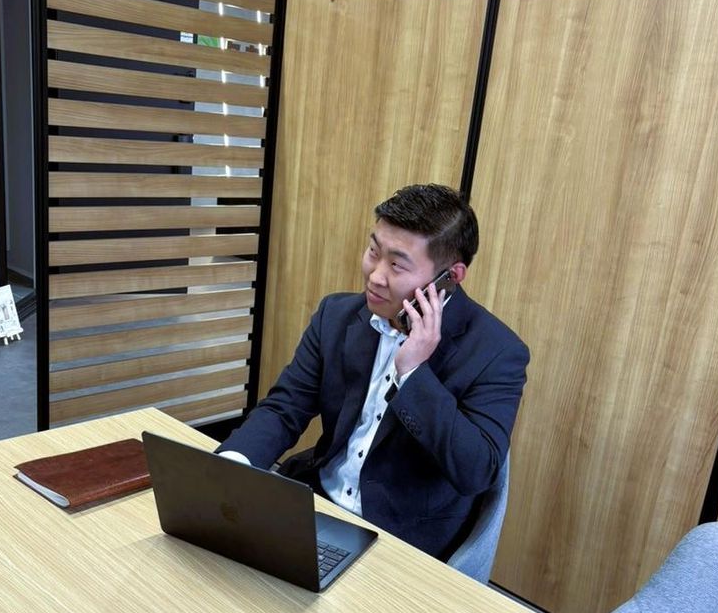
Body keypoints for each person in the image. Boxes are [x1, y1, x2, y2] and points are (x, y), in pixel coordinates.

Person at [218, 184, 530, 559]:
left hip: (401, 542)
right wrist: (231, 468)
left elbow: (476, 471)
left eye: (397, 265)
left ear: (451, 276)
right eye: (373, 252)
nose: (376, 276)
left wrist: (413, 372)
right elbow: (284, 408)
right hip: (316, 505)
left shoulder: (497, 352)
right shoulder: (336, 315)